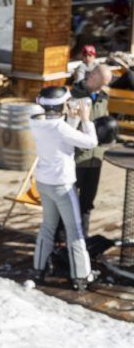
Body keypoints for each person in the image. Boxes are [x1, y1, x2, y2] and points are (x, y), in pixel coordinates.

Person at [29, 86, 98, 290]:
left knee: (48, 226)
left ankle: (38, 269)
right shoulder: (60, 128)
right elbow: (90, 142)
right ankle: (81, 276)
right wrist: (85, 119)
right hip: (62, 185)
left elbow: (62, 136)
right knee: (74, 230)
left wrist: (73, 118)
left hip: (44, 182)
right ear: (60, 106)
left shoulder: (36, 123)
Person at [71, 64, 113, 236]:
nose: (91, 75)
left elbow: (105, 123)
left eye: (97, 76)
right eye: (93, 72)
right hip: (76, 159)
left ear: (103, 84)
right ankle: (60, 240)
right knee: (68, 203)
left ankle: (82, 239)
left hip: (96, 159)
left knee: (87, 203)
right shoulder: (74, 95)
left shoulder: (103, 98)